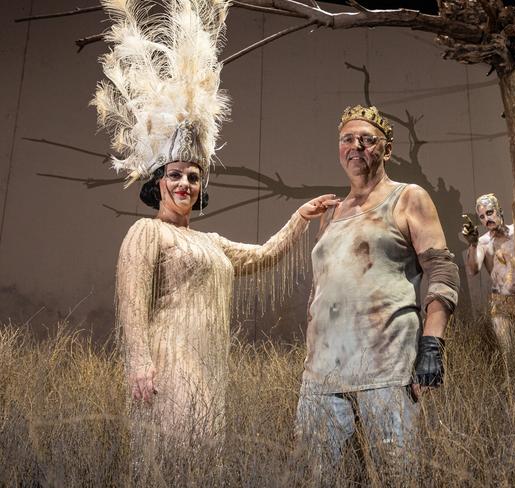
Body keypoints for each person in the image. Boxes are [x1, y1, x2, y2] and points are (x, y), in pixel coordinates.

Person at [92, 0, 337, 440]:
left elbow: (263, 255)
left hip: (209, 367)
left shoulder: (212, 242)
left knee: (203, 457)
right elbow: (130, 302)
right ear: (157, 181)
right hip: (167, 364)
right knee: (169, 457)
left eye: (192, 176)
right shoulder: (145, 232)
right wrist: (139, 363)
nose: (184, 184)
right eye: (175, 175)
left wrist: (300, 216)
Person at [295, 105, 460, 479]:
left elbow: (441, 268)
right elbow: (320, 289)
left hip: (385, 370)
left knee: (397, 475)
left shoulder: (406, 197)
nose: (357, 146)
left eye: (368, 140)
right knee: (320, 478)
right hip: (322, 376)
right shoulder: (331, 212)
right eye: (348, 139)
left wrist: (433, 344)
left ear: (386, 150)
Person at [462, 193, 515, 351]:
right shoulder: (483, 243)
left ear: (499, 211)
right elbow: (472, 270)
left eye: (489, 213)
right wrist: (473, 244)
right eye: (481, 217)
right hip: (501, 302)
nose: (486, 219)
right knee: (511, 354)